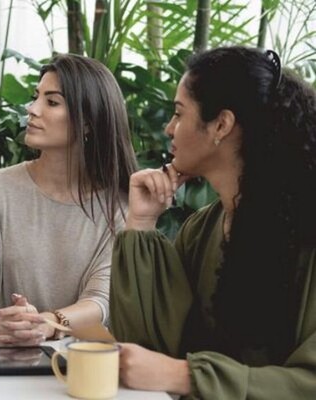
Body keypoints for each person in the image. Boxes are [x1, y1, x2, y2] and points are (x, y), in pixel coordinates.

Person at [110, 46, 316, 398]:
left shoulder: (308, 231)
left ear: (221, 124)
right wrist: (141, 223)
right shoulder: (202, 229)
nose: (169, 128)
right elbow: (150, 349)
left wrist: (189, 377)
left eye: (179, 114)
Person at [0, 54, 138, 345]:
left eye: (52, 102)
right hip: (2, 356)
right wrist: (0, 326)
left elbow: (100, 300)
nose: (32, 109)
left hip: (84, 364)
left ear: (87, 124)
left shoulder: (120, 206)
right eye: (36, 98)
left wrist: (47, 323)